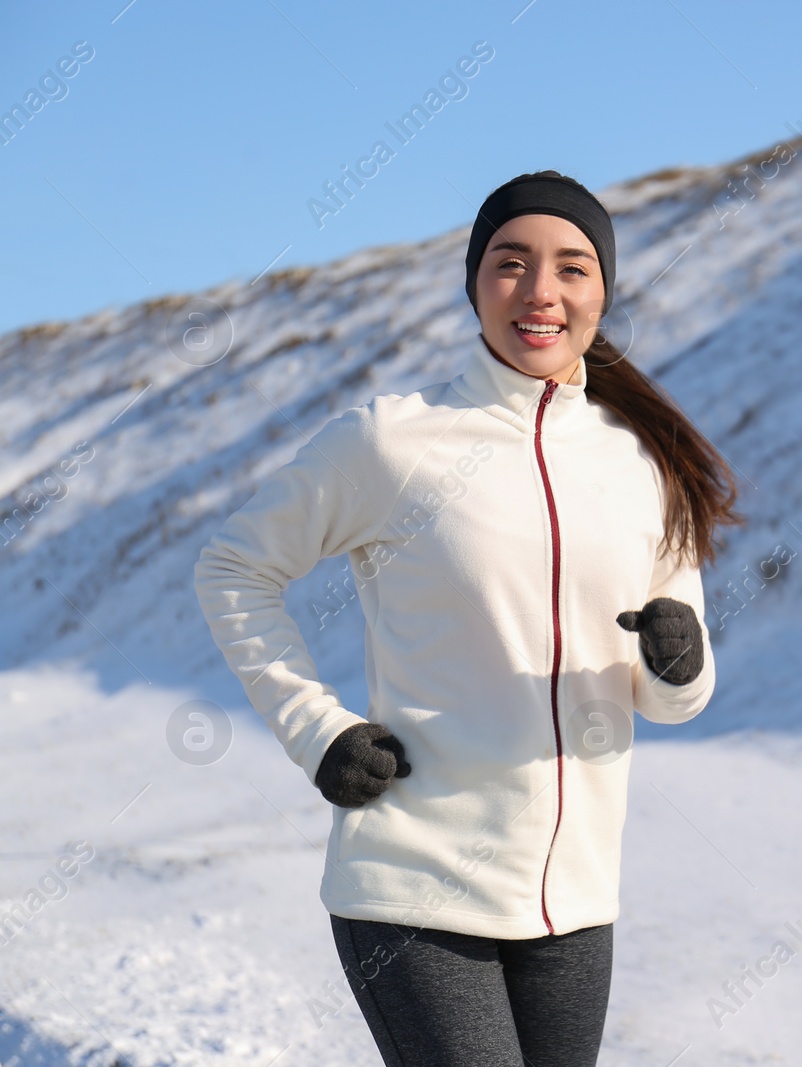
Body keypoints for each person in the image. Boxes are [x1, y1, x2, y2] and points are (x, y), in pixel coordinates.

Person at [194, 170, 743, 1066]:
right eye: (510, 263)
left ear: (603, 289)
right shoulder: (390, 441)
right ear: (472, 283)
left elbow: (672, 701)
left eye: (572, 267)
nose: (540, 291)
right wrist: (316, 729)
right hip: (416, 884)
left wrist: (679, 663)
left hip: (576, 896)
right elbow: (233, 569)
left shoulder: (641, 464)